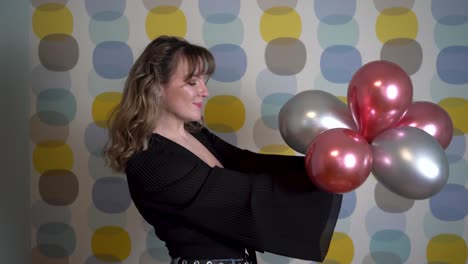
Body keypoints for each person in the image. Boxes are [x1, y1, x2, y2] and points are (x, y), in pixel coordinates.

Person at [105, 35, 342, 264]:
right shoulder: (151, 161)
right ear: (156, 86)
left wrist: (322, 165)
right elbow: (243, 195)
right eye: (192, 82)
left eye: (203, 81)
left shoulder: (196, 134)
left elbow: (249, 163)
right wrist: (324, 175)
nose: (204, 91)